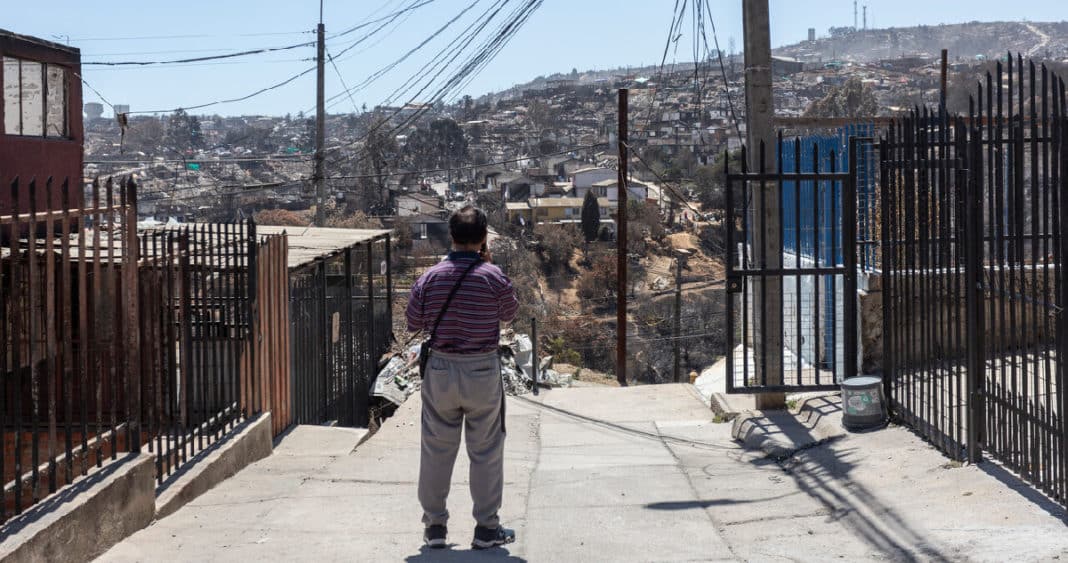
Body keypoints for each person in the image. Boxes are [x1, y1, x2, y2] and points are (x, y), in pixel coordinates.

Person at [406, 205, 519, 550]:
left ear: (451, 237)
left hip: (440, 369)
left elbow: (413, 323)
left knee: (436, 449)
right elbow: (510, 313)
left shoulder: (430, 277)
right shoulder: (493, 276)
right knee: (485, 450)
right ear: (484, 239)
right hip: (482, 370)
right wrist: (487, 264)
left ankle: (435, 527)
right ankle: (486, 529)